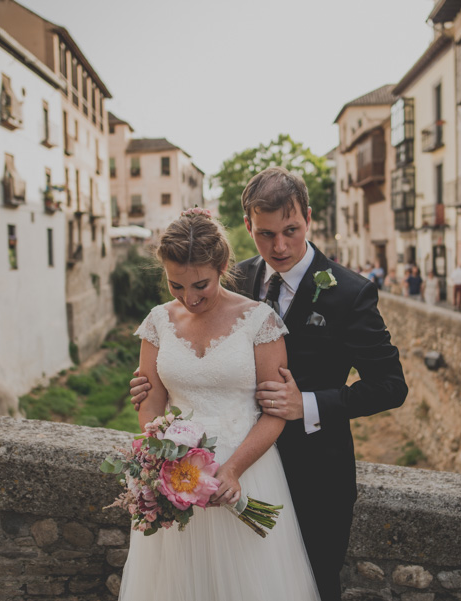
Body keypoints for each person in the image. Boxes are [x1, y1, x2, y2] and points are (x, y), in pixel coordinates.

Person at [131, 166, 408, 601]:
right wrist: (161, 384)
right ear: (247, 226)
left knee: (311, 586)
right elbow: (189, 341)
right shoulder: (230, 279)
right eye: (265, 234)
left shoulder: (351, 293)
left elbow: (392, 386)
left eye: (291, 230)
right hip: (220, 469)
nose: (279, 246)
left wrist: (308, 404)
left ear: (309, 219)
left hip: (317, 472)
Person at [119, 210, 321, 600]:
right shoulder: (158, 321)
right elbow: (151, 401)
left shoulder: (259, 321)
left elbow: (275, 410)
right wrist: (161, 454)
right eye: (176, 285)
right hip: (175, 476)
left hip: (245, 471)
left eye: (201, 285)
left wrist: (230, 471)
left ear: (223, 266)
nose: (189, 298)